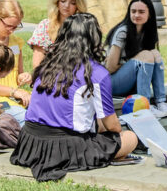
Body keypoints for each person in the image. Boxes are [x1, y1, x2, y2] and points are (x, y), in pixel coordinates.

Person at [10, 13, 138, 182]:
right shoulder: (97, 73)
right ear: (94, 38)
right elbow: (112, 126)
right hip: (64, 147)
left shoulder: (45, 65)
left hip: (30, 142)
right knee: (130, 138)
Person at [105, 0, 167, 118]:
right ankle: (144, 107)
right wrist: (133, 63)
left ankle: (161, 102)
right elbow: (109, 67)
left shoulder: (147, 32)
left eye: (141, 12)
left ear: (150, 15)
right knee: (146, 55)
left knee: (154, 54)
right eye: (133, 11)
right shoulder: (123, 32)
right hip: (112, 84)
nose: (136, 15)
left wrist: (136, 64)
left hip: (129, 84)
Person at [28, 0, 88, 68]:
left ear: (78, 6)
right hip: (48, 75)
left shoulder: (83, 27)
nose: (66, 5)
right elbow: (37, 64)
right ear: (57, 1)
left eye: (73, 3)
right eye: (63, 1)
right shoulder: (45, 26)